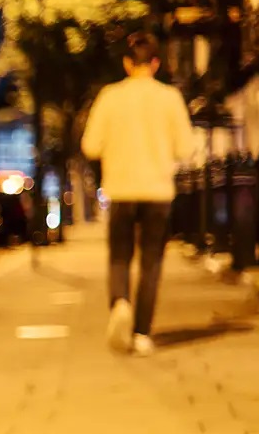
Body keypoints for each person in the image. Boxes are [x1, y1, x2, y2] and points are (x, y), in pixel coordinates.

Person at [81, 32, 195, 357]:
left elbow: (90, 145)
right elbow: (186, 147)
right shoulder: (169, 97)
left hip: (121, 189)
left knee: (119, 256)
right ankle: (142, 331)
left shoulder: (110, 96)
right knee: (151, 262)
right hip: (157, 190)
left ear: (127, 63)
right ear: (156, 63)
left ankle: (120, 302)